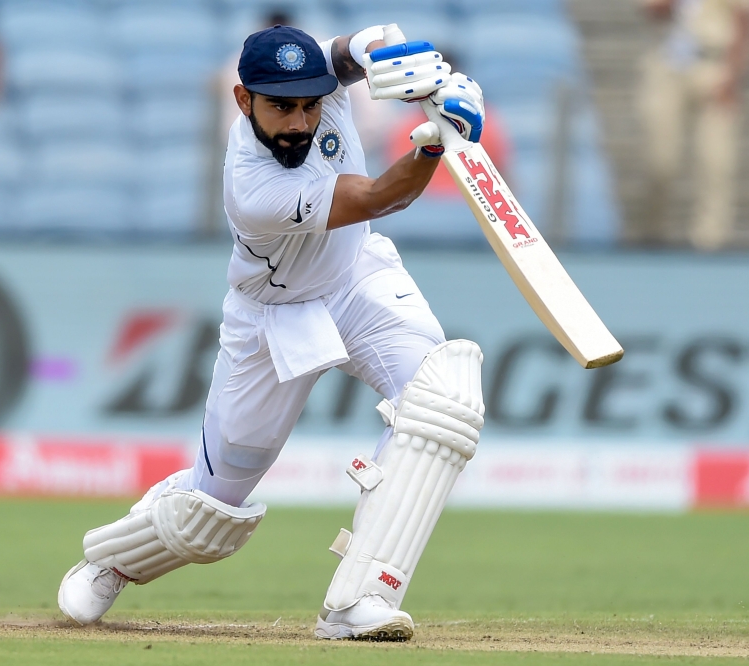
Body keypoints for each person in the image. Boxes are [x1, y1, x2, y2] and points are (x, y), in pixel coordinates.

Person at [56, 24, 488, 642]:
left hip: (357, 279)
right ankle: (113, 559)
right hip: (274, 316)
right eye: (281, 107)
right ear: (243, 99)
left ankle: (361, 599)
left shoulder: (318, 87)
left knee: (444, 398)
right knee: (211, 515)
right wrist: (437, 142)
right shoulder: (253, 187)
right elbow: (377, 196)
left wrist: (394, 63)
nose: (299, 122)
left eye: (310, 104)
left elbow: (351, 51)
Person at [634, 0, 749, 250]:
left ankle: (710, 241)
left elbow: (744, 21)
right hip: (668, 64)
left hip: (715, 64)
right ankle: (652, 234)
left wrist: (733, 76)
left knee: (715, 161)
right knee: (660, 160)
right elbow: (651, 11)